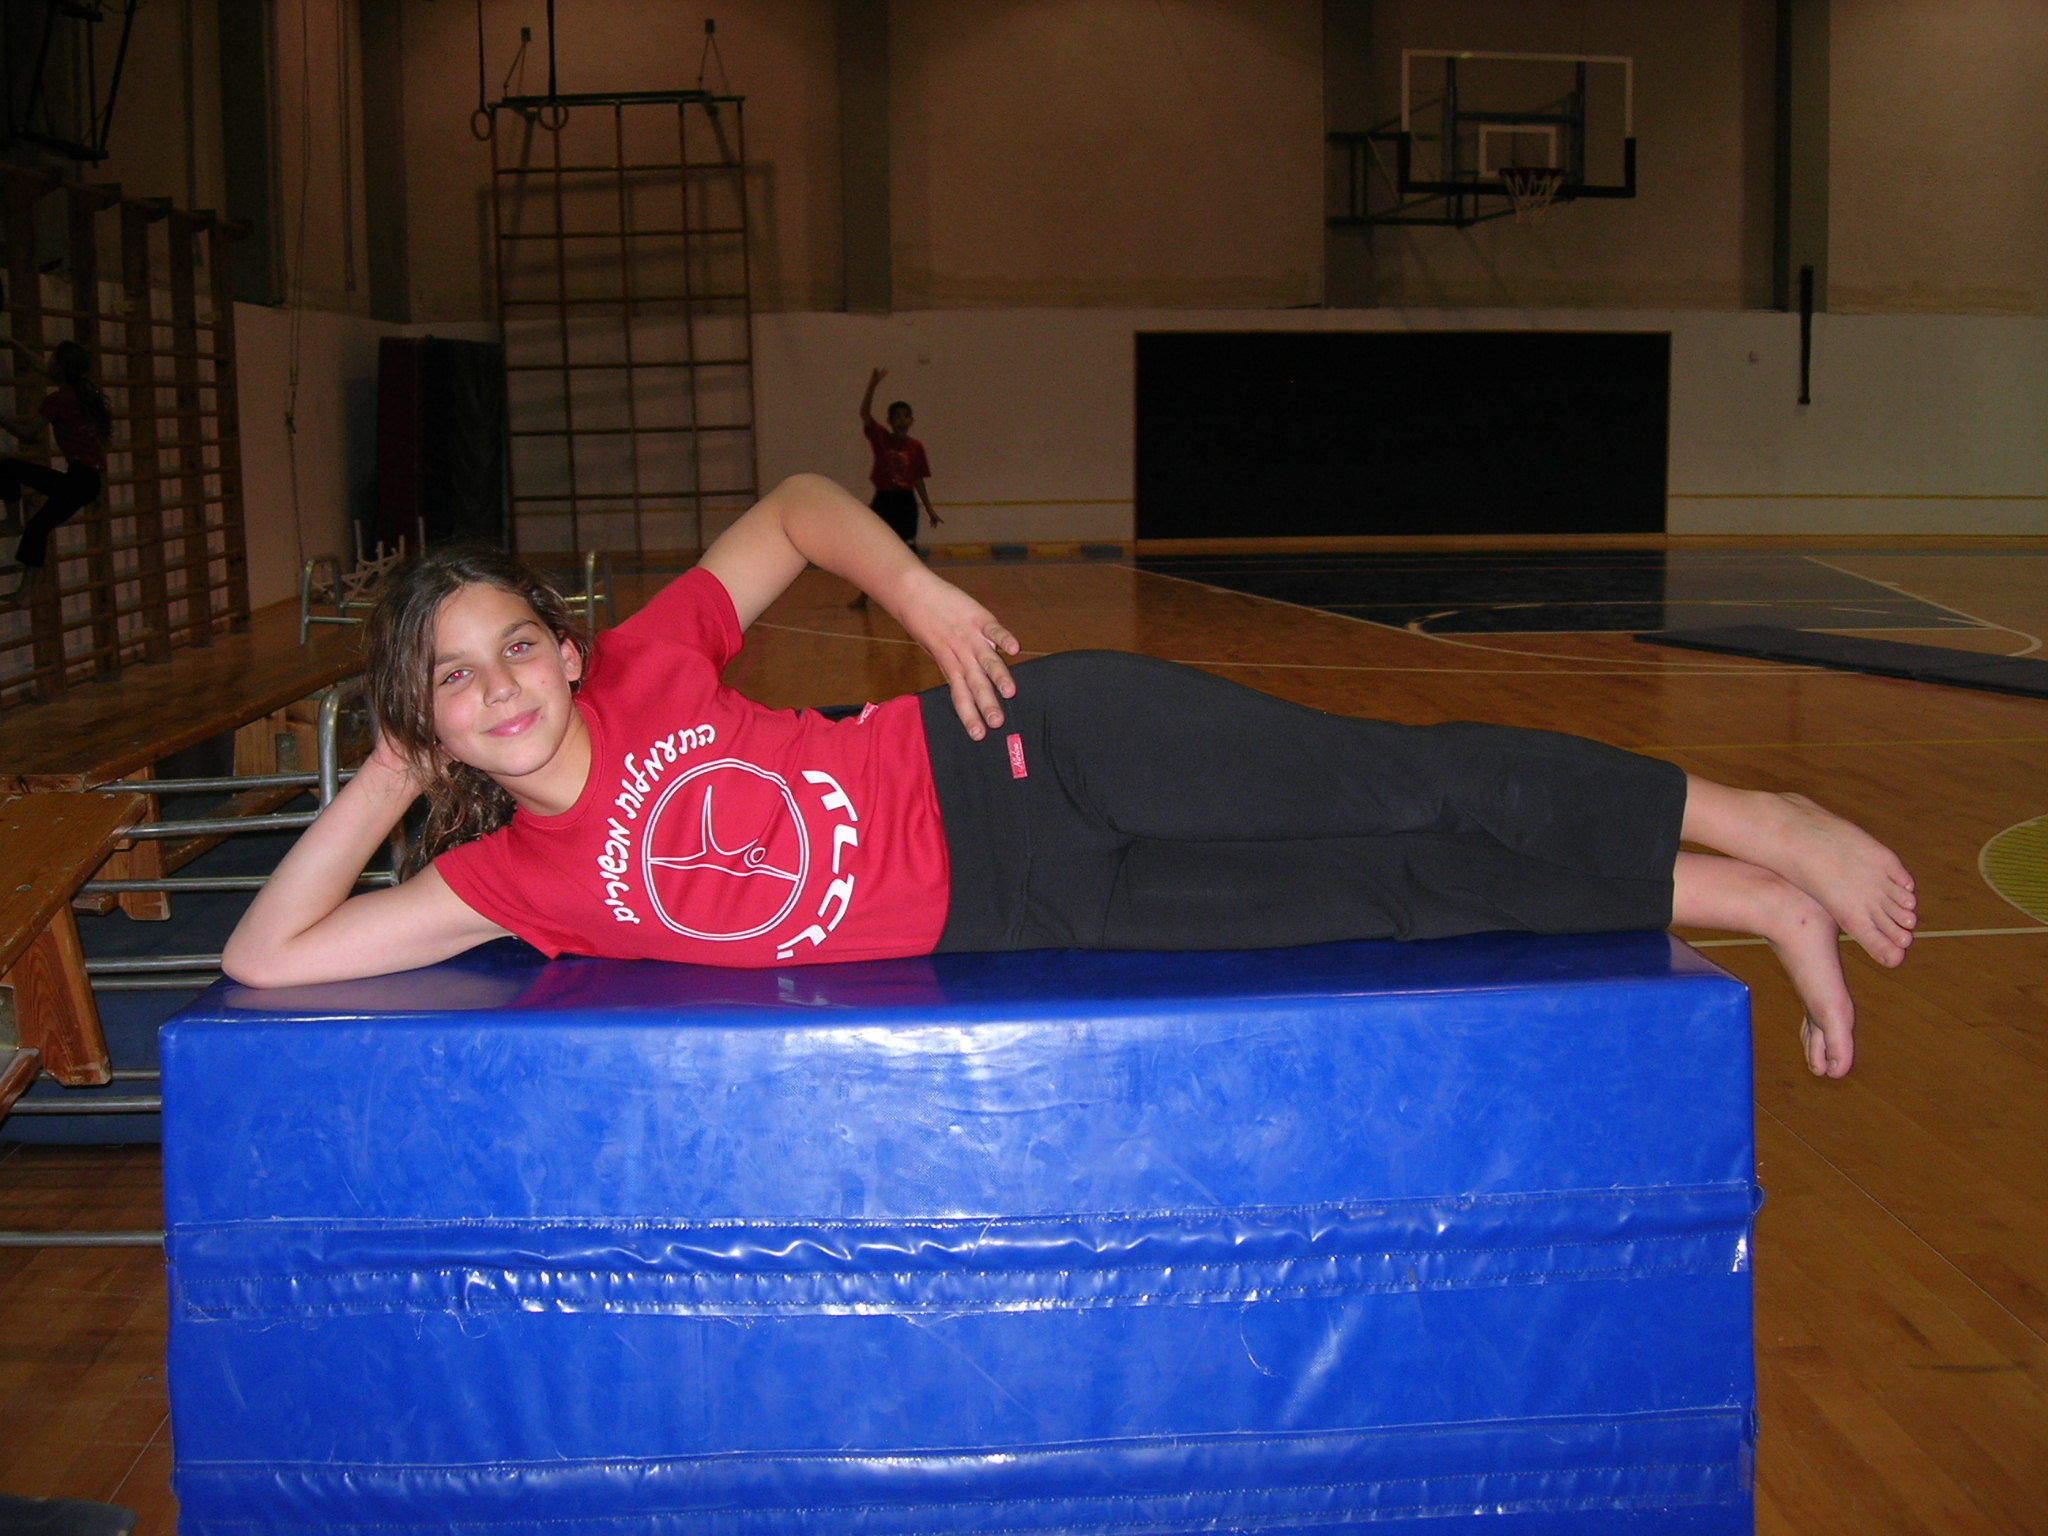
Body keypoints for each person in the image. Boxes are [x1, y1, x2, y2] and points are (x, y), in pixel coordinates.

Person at [222, 474, 1917, 1080]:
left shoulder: (653, 660)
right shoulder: (504, 883)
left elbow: (800, 508)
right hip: (1040, 909)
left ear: (568, 645)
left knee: (1399, 785)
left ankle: (1756, 814)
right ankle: (1742, 899)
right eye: (458, 681)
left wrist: (916, 591)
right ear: (433, 723)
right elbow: (268, 957)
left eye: (518, 645)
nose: (504, 687)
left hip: (1023, 753)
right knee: (1385, 894)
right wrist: (388, 770)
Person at [1, 337, 111, 600]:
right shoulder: (85, 392)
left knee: (36, 523)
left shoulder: (59, 400)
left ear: (60, 369)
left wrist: (2, 420)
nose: (47, 363)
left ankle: (14, 526)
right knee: (37, 523)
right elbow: (41, 366)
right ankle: (24, 589)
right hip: (87, 480)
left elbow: (27, 433)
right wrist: (14, 343)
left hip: (78, 481)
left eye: (53, 361)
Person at [847, 367, 940, 611]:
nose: (901, 420)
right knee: (872, 551)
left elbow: (918, 479)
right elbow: (864, 413)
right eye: (897, 417)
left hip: (905, 502)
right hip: (884, 501)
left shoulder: (916, 447)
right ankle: (864, 596)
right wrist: (873, 384)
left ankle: (915, 596)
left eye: (905, 416)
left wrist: (929, 508)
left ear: (911, 421)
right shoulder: (881, 438)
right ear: (890, 421)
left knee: (908, 552)